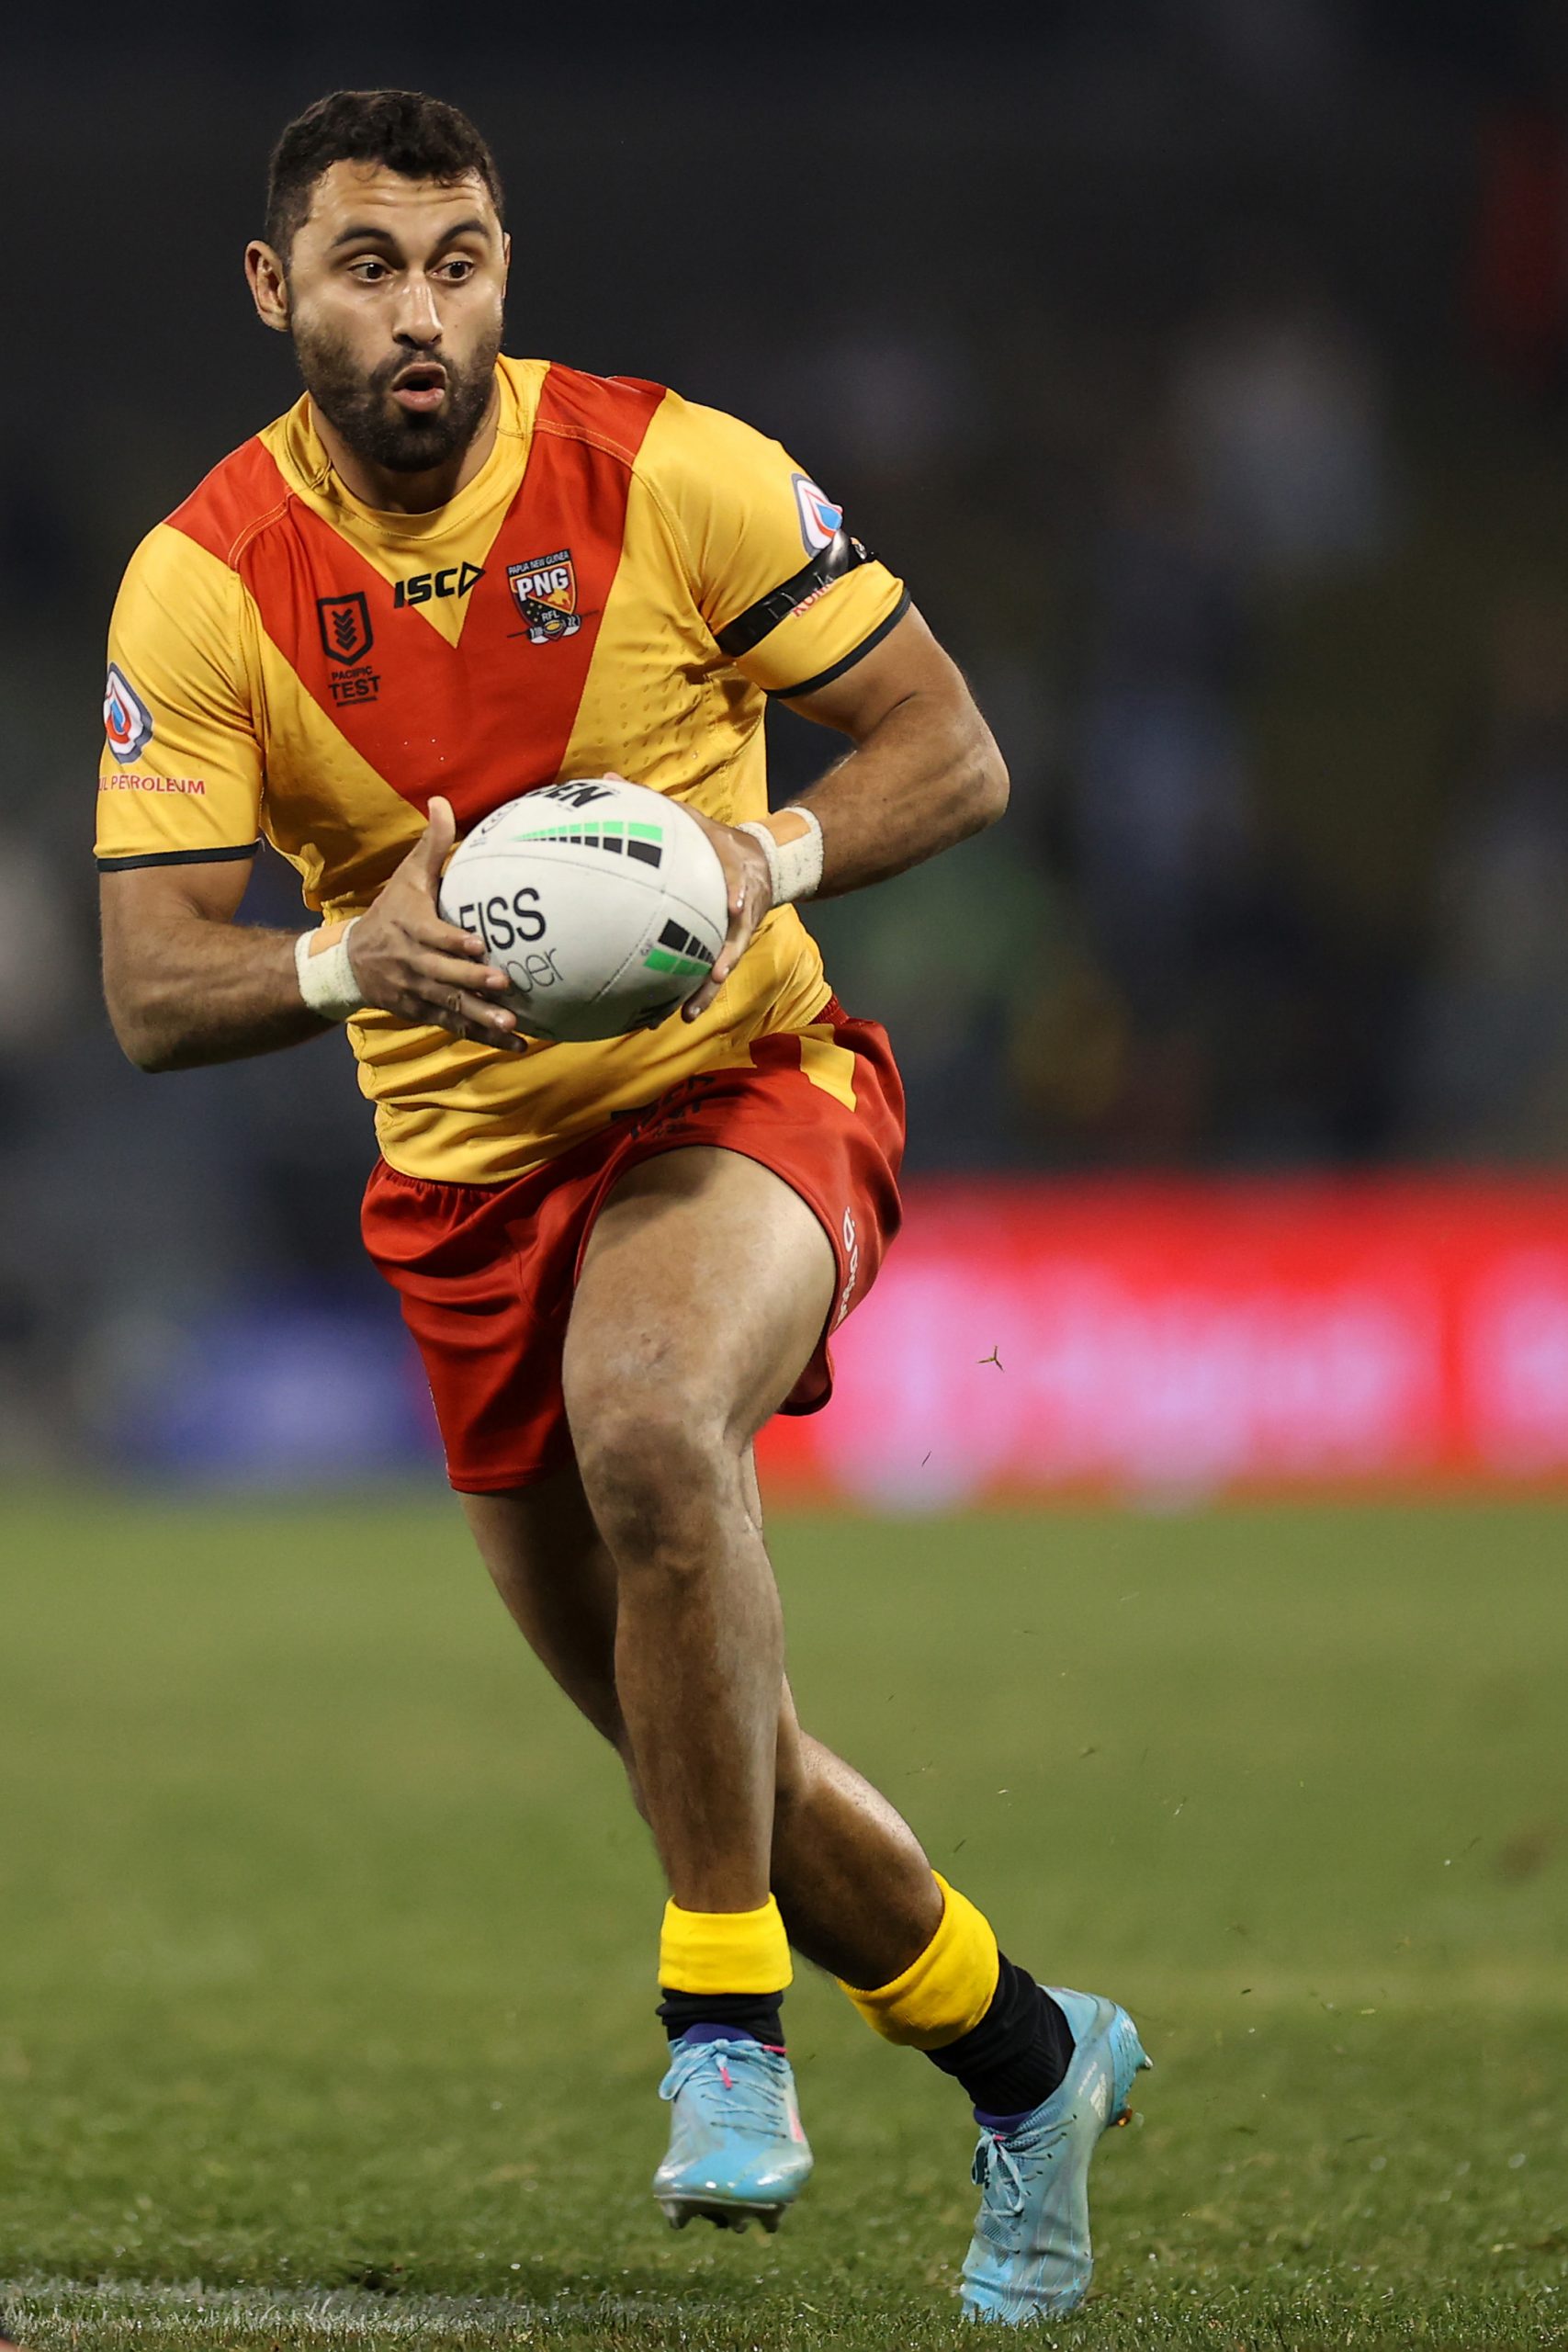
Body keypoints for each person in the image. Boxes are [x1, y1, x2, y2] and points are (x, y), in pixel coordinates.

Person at [96, 88, 1147, 2324]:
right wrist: (334, 956)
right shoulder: (201, 583)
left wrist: (753, 855)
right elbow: (150, 985)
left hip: (743, 1089)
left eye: (459, 259)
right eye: (370, 264)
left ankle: (717, 2030)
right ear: (277, 291)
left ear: (505, 273)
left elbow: (942, 748)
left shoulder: (677, 467)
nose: (422, 310)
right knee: (711, 1737)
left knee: (655, 1423)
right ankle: (1030, 2058)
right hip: (465, 1194)